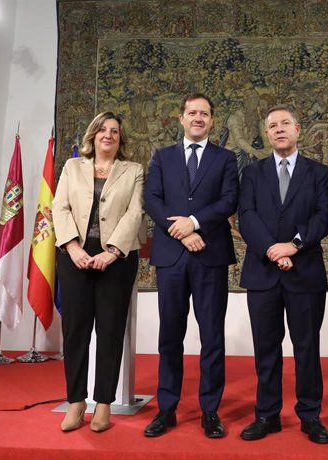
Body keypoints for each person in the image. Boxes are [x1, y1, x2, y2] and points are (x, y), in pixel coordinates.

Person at [237, 105, 328, 444]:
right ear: (267, 134)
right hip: (262, 272)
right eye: (272, 126)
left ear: (298, 129)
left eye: (285, 124)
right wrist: (271, 249)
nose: (279, 129)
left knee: (306, 347)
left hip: (304, 272)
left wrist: (293, 245)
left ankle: (310, 416)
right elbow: (246, 216)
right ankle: (267, 415)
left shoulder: (319, 173)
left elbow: (325, 217)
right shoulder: (251, 173)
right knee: (266, 348)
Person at [143, 93, 239, 438]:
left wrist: (195, 222)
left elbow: (229, 199)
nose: (198, 118)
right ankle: (166, 409)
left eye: (205, 113)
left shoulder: (226, 159)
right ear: (181, 118)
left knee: (212, 335)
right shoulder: (162, 157)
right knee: (170, 334)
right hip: (171, 256)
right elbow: (151, 198)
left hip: (210, 255)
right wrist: (179, 231)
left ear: (212, 121)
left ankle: (210, 410)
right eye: (192, 112)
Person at [53, 111, 144, 433]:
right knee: (76, 332)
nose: (108, 135)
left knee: (110, 331)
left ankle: (104, 403)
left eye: (115, 131)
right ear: (93, 135)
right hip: (73, 257)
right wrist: (74, 247)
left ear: (121, 139)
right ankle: (77, 403)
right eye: (103, 130)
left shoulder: (133, 170)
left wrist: (113, 251)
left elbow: (135, 213)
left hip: (116, 260)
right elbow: (59, 207)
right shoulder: (71, 166)